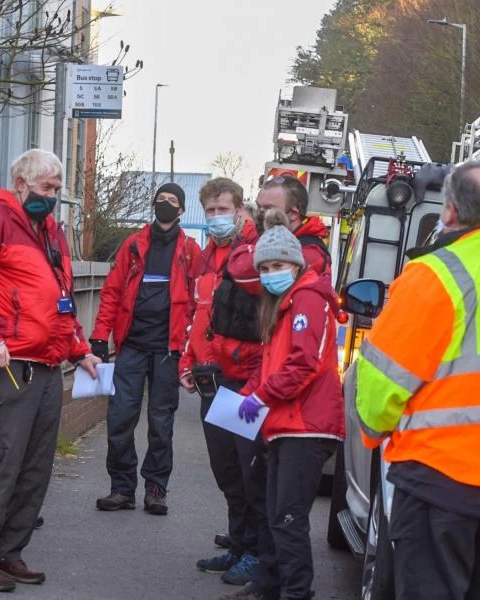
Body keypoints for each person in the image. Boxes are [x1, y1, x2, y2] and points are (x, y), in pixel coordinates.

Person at [352, 161, 480, 599]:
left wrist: (374, 431)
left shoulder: (435, 274)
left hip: (440, 477)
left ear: (449, 211)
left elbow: (383, 379)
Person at [0, 149, 100, 592]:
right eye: (46, 187)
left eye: (56, 189)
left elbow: (60, 301)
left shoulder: (49, 232)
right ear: (20, 182)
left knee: (34, 467)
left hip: (44, 366)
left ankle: (6, 551)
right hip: (7, 365)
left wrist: (79, 351)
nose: (52, 196)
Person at [228, 209, 344, 600]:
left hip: (305, 426)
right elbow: (272, 365)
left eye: (278, 265)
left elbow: (303, 364)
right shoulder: (286, 302)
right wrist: (248, 397)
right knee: (279, 516)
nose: (270, 273)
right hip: (288, 424)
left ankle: (296, 592)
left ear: (295, 264)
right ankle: (274, 588)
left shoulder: (307, 299)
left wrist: (258, 397)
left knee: (288, 518)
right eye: (265, 267)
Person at [91, 182, 200, 515]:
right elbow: (111, 292)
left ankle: (156, 488)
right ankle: (122, 488)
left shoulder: (190, 251)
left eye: (172, 201)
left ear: (182, 211)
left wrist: (192, 348)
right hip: (132, 347)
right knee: (120, 417)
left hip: (168, 351)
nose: (165, 205)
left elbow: (200, 302)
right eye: (161, 199)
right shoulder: (134, 245)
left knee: (160, 423)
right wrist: (99, 336)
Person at [179, 177, 266, 587]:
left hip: (242, 380)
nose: (216, 217)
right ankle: (240, 543)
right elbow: (199, 318)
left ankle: (255, 551)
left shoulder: (253, 255)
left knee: (249, 471)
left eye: (223, 209)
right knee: (227, 469)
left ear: (240, 209)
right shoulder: (208, 257)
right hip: (212, 379)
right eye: (210, 211)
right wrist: (188, 361)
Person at [254, 175, 331, 276]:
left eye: (269, 208)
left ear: (293, 214)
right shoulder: (269, 240)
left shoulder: (311, 253)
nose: (261, 214)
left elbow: (242, 270)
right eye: (259, 207)